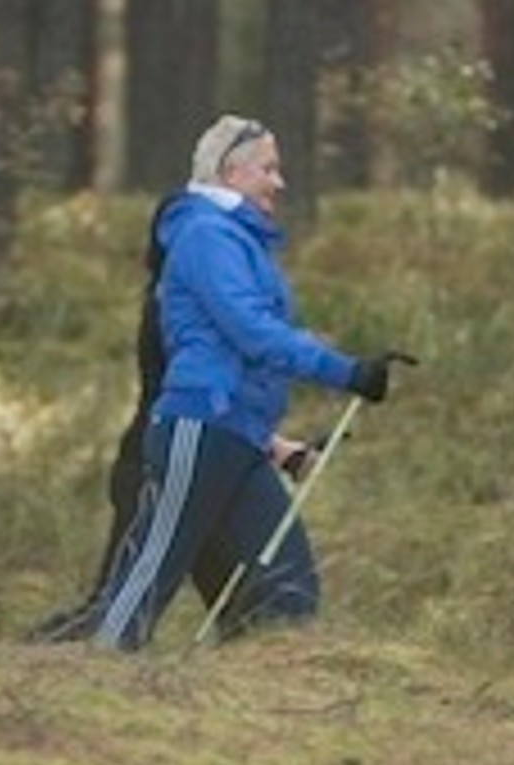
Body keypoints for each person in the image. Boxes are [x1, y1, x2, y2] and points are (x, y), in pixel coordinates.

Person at [89, 114, 400, 651]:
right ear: (231, 173)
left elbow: (257, 345)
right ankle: (92, 683)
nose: (279, 182)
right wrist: (347, 372)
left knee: (289, 584)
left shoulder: (237, 241)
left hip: (237, 435)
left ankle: (275, 694)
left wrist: (277, 446)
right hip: (199, 425)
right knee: (148, 576)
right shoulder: (206, 235)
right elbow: (254, 332)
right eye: (269, 169)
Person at [28, 192, 326, 645]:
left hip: (211, 476)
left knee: (249, 620)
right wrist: (282, 450)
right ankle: (34, 676)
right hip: (159, 471)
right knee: (114, 614)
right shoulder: (181, 312)